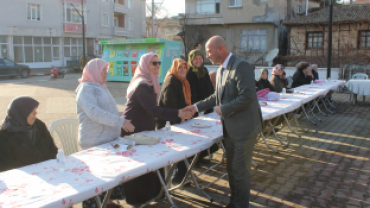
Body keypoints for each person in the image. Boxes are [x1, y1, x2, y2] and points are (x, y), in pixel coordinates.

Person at [185, 36, 262, 208]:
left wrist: (224, 109)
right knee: (232, 169)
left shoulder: (241, 66)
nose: (207, 55)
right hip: (230, 129)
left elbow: (247, 96)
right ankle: (235, 202)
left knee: (240, 171)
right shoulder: (220, 70)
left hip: (245, 129)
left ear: (220, 49)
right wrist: (195, 107)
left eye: (209, 51)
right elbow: (216, 97)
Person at [121, 53, 192, 205]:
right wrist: (177, 113)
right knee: (139, 167)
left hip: (144, 129)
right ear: (145, 65)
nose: (158, 66)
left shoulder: (149, 82)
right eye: (154, 63)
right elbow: (153, 109)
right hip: (133, 130)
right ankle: (139, 200)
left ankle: (154, 195)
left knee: (149, 163)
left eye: (159, 63)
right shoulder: (141, 84)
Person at [76, 58, 134, 208]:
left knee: (109, 173)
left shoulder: (101, 86)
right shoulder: (85, 89)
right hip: (94, 141)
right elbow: (95, 113)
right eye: (103, 70)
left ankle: (107, 201)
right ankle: (95, 204)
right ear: (93, 71)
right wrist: (120, 122)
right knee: (97, 177)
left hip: (108, 139)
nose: (106, 73)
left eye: (106, 70)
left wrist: (123, 117)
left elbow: (110, 110)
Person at [0, 96, 58, 172]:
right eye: (32, 111)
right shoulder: (4, 134)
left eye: (35, 110)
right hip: (24, 177)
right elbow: (5, 164)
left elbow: (52, 149)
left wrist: (46, 165)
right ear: (21, 114)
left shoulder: (39, 125)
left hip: (47, 170)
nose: (36, 113)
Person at [156, 58, 191, 129]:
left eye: (184, 67)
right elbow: (169, 105)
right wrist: (181, 119)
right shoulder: (171, 81)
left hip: (177, 120)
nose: (183, 69)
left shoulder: (182, 81)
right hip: (168, 126)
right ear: (175, 68)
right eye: (180, 67)